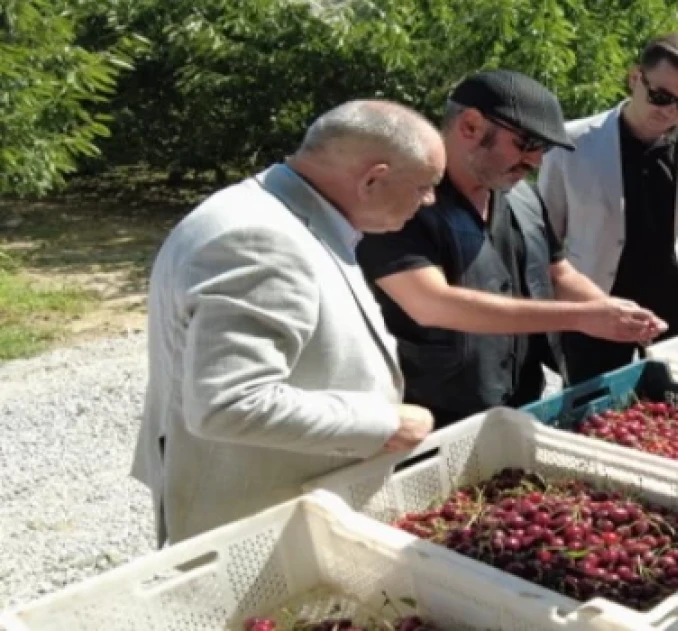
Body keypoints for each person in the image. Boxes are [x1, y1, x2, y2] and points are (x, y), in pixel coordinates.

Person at [132, 100, 446, 545]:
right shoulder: (263, 241)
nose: (430, 201)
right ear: (373, 178)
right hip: (255, 521)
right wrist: (383, 423)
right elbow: (229, 403)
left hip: (279, 498)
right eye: (425, 186)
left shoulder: (279, 211)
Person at [357, 70, 667, 426]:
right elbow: (432, 304)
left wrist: (612, 310)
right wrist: (583, 318)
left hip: (525, 400)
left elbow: (558, 272)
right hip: (433, 416)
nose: (535, 162)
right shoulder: (404, 201)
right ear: (470, 126)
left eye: (544, 149)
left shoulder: (522, 196)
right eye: (526, 144)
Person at [538, 32, 678, 385]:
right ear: (634, 78)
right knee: (595, 421)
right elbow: (544, 238)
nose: (671, 111)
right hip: (596, 309)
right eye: (661, 96)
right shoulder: (570, 144)